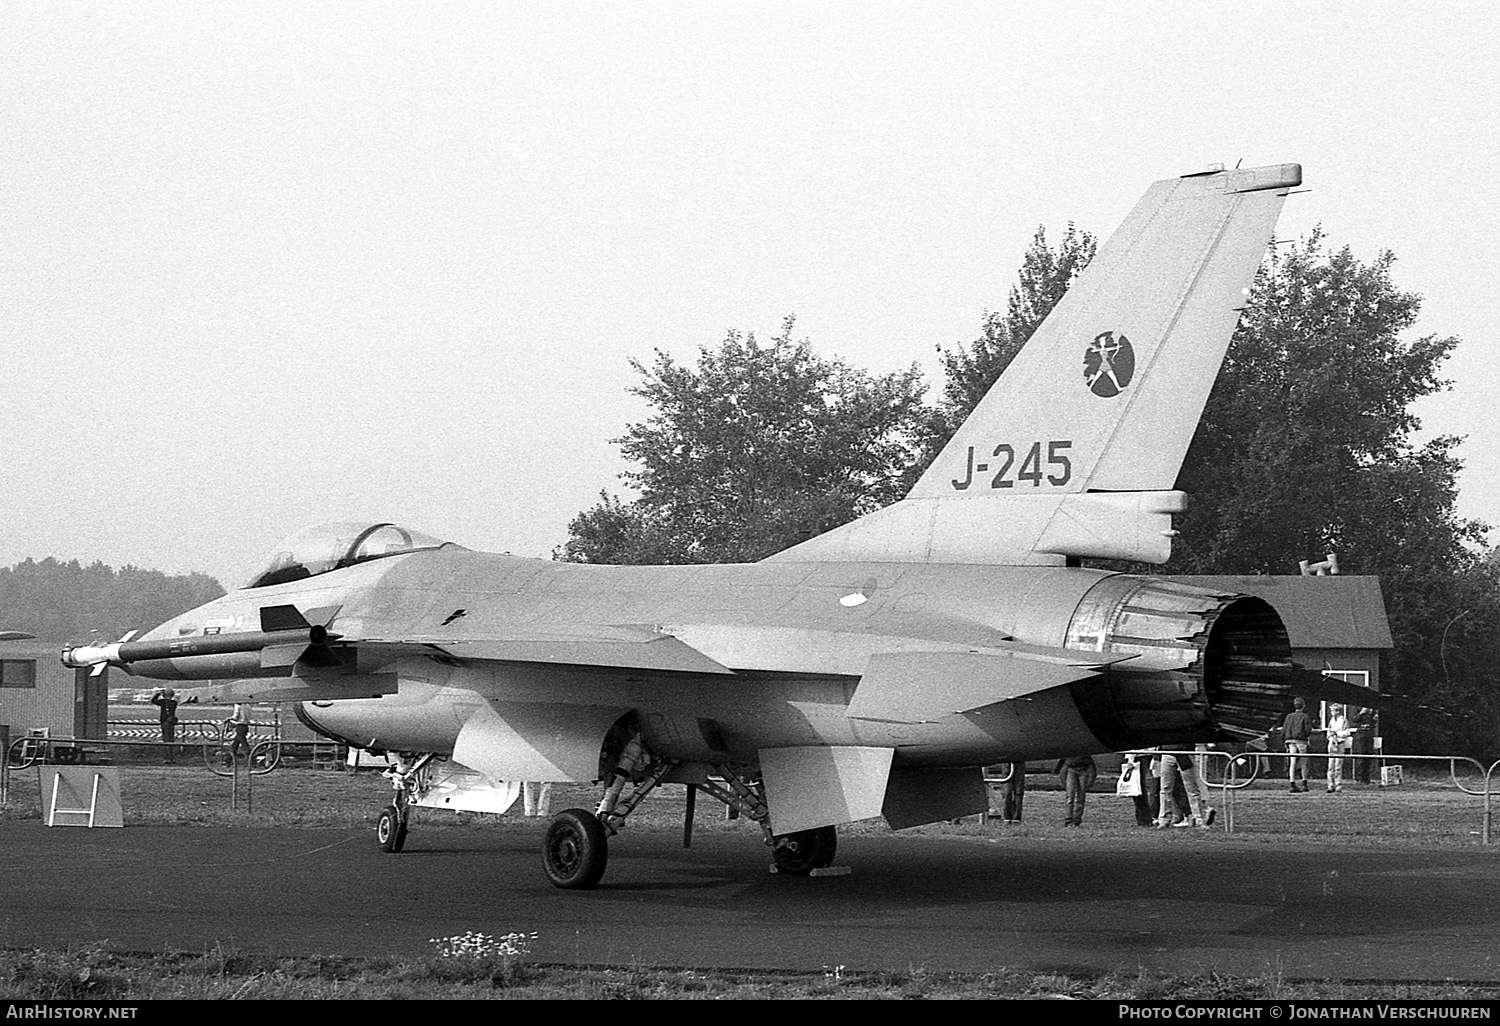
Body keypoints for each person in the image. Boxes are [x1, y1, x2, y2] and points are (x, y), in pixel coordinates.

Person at [1282, 697, 1313, 793]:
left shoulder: (1289, 716)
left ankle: (1292, 783)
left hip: (1290, 741)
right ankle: (1304, 783)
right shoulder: (1305, 716)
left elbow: (1284, 730)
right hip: (1301, 741)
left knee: (1292, 762)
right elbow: (1308, 730)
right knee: (1303, 762)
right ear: (1303, 706)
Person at [1056, 755, 1097, 827]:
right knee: (1071, 797)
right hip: (1072, 769)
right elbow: (1063, 768)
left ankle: (1076, 820)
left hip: (1083, 769)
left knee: (1080, 797)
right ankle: (1069, 820)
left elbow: (1092, 768)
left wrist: (1090, 782)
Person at [1325, 704, 1353, 793]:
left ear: (1337, 711)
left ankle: (1338, 785)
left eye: (1332, 711)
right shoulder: (1332, 720)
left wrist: (1338, 734)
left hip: (1340, 743)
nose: (1331, 713)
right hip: (1332, 743)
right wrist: (1331, 736)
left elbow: (1347, 732)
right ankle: (1330, 785)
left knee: (1338, 766)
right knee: (1330, 765)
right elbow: (1328, 731)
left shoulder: (1343, 720)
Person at [150, 687, 178, 764]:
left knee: (166, 740)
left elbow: (153, 700)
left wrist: (158, 694)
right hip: (171, 722)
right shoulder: (174, 703)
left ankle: (167, 758)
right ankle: (172, 757)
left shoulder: (163, 702)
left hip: (165, 722)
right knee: (171, 740)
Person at [1351, 707, 1375, 784]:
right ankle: (1359, 777)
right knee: (1361, 757)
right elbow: (1354, 719)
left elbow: (1374, 721)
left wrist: (1373, 717)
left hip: (1369, 734)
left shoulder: (1372, 709)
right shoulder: (1357, 708)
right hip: (1361, 735)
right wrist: (1361, 713)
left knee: (1369, 756)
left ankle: (1366, 778)